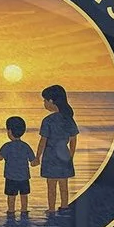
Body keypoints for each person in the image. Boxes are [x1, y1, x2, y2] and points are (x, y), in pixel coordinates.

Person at [37, 84, 80, 212]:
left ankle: (51, 209)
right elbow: (73, 139)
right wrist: (71, 155)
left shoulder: (48, 121)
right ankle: (64, 206)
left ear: (51, 101)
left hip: (50, 156)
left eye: (45, 100)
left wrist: (37, 157)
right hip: (64, 154)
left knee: (51, 185)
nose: (44, 103)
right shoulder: (68, 119)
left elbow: (43, 141)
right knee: (63, 184)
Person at [0, 115, 37, 218]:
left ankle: (11, 212)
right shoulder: (25, 146)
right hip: (24, 177)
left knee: (11, 197)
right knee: (24, 196)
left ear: (9, 131)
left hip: (11, 177)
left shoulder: (7, 146)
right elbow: (33, 161)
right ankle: (24, 211)